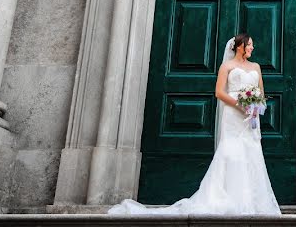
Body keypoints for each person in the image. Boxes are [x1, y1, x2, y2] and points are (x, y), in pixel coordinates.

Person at [109, 33, 281, 216]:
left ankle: (252, 201)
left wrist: (255, 107)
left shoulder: (256, 67)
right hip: (233, 115)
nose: (252, 48)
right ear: (240, 46)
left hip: (250, 117)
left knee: (251, 151)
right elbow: (219, 92)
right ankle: (228, 198)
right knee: (231, 151)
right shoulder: (227, 66)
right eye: (250, 45)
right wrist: (240, 105)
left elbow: (261, 92)